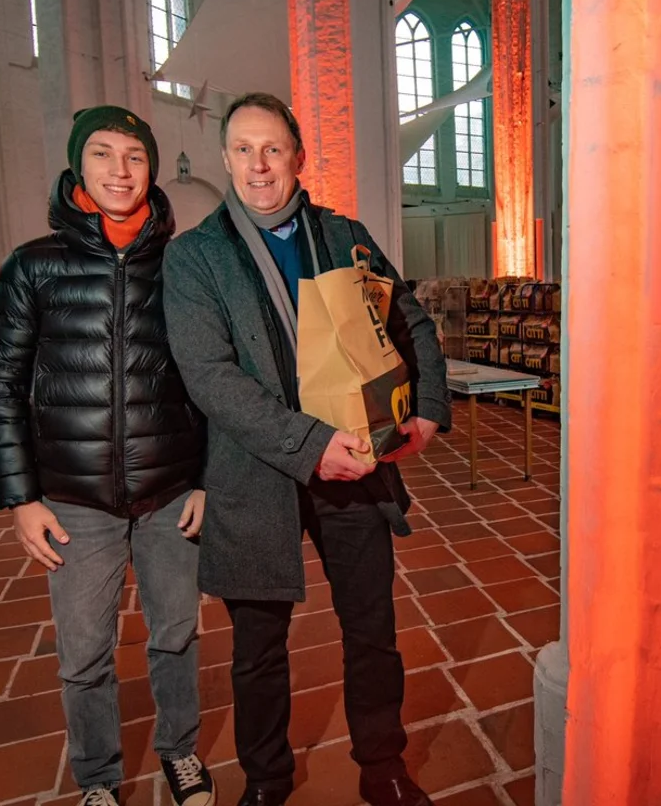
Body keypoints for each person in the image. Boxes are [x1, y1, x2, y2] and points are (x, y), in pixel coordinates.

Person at [162, 92, 451, 806]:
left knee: (372, 628)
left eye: (272, 149)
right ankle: (267, 780)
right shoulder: (194, 256)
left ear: (297, 156)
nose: (258, 165)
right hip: (254, 470)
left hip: (357, 461)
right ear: (226, 158)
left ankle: (383, 766)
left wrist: (429, 410)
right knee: (258, 649)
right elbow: (210, 377)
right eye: (243, 150)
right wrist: (310, 444)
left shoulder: (343, 235)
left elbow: (409, 321)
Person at [0, 106, 216, 806]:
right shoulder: (34, 266)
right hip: (74, 499)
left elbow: (211, 377)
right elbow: (0, 384)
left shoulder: (183, 265)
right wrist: (20, 499)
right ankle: (98, 778)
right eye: (103, 154)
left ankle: (180, 751)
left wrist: (205, 479)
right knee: (83, 653)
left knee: (176, 635)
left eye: (134, 156)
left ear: (151, 169)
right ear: (79, 166)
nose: (120, 169)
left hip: (170, 490)